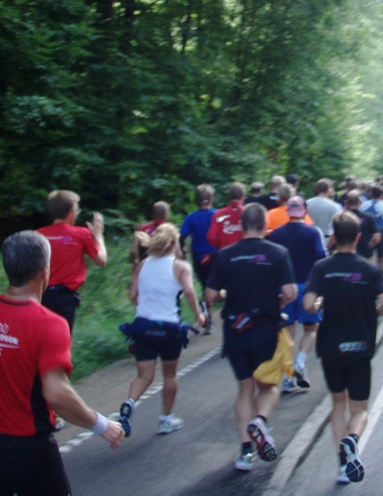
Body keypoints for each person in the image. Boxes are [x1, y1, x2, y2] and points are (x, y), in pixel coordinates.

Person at [0, 231, 124, 495]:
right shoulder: (50, 324)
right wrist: (101, 425)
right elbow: (57, 393)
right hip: (30, 451)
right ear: (45, 270)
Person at [303, 212, 383, 485]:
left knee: (338, 404)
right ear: (357, 237)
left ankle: (343, 466)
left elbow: (308, 305)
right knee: (360, 408)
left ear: (333, 237)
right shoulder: (369, 269)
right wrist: (371, 313)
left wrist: (319, 304)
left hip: (331, 346)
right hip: (361, 346)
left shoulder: (322, 267)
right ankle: (353, 439)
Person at [205, 203, 296, 472]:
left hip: (235, 332)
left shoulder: (225, 255)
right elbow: (290, 293)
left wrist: (225, 295)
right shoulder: (278, 253)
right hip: (265, 331)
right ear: (265, 225)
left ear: (242, 225)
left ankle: (245, 451)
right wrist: (274, 304)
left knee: (245, 388)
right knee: (269, 386)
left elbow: (210, 296)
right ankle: (261, 419)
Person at [118, 224, 206, 437]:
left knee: (144, 376)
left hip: (143, 327)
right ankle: (165, 419)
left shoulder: (143, 265)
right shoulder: (181, 267)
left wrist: (144, 305)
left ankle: (129, 403)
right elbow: (188, 290)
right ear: (175, 243)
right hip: (169, 329)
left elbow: (132, 295)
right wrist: (198, 315)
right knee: (169, 375)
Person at [267, 196, 326, 393]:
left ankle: (287, 377)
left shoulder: (276, 234)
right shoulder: (313, 232)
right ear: (305, 210)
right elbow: (321, 257)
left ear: (288, 212)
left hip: (284, 288)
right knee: (310, 329)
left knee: (287, 332)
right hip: (307, 287)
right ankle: (300, 363)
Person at [36, 190, 107, 333]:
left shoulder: (37, 235)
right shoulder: (81, 234)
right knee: (62, 341)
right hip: (65, 299)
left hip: (39, 296)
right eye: (77, 210)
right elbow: (102, 261)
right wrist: (98, 235)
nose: (77, 213)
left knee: (40, 339)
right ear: (70, 212)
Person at [179, 185, 218, 334]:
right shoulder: (217, 214)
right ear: (212, 199)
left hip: (199, 257)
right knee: (216, 286)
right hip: (216, 255)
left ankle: (207, 318)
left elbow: (181, 236)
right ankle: (210, 316)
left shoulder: (191, 217)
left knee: (205, 286)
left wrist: (183, 251)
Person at [130, 201, 172, 270]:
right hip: (162, 268)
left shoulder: (142, 228)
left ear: (152, 215)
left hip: (144, 267)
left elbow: (133, 251)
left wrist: (135, 262)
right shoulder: (169, 231)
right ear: (166, 216)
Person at [342, 191, 381, 261]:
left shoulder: (342, 218)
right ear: (359, 202)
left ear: (346, 203)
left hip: (346, 252)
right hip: (365, 252)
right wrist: (369, 246)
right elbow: (377, 237)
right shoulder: (368, 217)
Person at [360, 186, 383, 269]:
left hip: (366, 232)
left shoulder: (364, 204)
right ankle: (381, 273)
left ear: (371, 194)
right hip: (379, 232)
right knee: (380, 256)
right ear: (381, 194)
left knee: (368, 255)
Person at [207, 182, 246, 250]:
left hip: (225, 252)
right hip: (244, 252)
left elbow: (212, 237)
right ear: (242, 197)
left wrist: (220, 244)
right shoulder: (247, 212)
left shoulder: (219, 214)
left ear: (229, 197)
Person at [306, 179, 342, 247]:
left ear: (316, 189)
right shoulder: (335, 206)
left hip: (309, 239)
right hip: (327, 240)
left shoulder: (307, 204)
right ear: (328, 190)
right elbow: (338, 227)